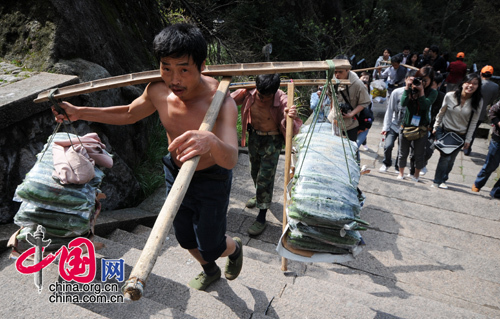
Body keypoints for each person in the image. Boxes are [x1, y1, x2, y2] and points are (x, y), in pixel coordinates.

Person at [53, 23, 243, 291]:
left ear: (201, 66)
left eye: (184, 69)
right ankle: (210, 270)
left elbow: (231, 159)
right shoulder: (158, 90)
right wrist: (80, 112)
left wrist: (211, 141)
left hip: (211, 179)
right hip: (175, 172)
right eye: (166, 68)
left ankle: (233, 250)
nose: (174, 79)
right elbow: (130, 113)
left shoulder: (221, 101)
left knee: (211, 244)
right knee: (185, 236)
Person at [231, 74, 302, 236]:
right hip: (254, 138)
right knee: (254, 171)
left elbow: (292, 114)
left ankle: (262, 215)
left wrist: (291, 113)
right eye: (260, 95)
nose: (262, 99)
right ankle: (259, 196)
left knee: (265, 176)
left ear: (274, 92)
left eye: (267, 96)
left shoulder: (282, 99)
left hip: (272, 140)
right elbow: (229, 99)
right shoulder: (249, 92)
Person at [432, 73, 483, 189]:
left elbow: (474, 121)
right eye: (468, 82)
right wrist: (436, 126)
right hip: (445, 131)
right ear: (463, 83)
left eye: (475, 84)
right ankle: (437, 181)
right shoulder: (450, 96)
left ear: (478, 86)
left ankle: (444, 179)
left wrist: (468, 139)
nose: (471, 86)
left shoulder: (478, 101)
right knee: (445, 157)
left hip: (460, 135)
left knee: (451, 160)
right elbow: (441, 112)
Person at [397, 66, 437, 182]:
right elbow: (403, 103)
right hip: (406, 125)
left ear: (431, 81)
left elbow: (425, 105)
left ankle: (416, 175)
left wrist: (421, 91)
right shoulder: (410, 89)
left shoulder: (433, 93)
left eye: (425, 80)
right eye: (420, 79)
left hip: (421, 128)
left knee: (419, 154)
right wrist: (407, 87)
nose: (422, 82)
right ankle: (401, 173)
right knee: (402, 152)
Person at [327, 59, 371, 162]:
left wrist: (352, 113)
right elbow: (330, 95)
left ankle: (355, 169)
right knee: (331, 148)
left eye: (340, 72)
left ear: (347, 70)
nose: (337, 75)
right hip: (334, 120)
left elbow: (365, 102)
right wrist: (332, 109)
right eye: (335, 72)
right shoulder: (332, 80)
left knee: (351, 151)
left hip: (350, 123)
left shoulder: (357, 84)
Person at [379, 72, 417, 173]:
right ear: (406, 79)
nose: (412, 83)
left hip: (407, 126)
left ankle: (397, 166)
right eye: (410, 80)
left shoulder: (418, 94)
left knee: (402, 149)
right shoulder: (397, 92)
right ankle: (386, 163)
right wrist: (385, 127)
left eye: (414, 81)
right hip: (394, 123)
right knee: (388, 145)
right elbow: (390, 110)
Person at [465, 65, 499, 155]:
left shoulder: (476, 83)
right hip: (481, 112)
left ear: (480, 73)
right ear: (491, 75)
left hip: (467, 110)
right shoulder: (495, 86)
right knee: (473, 130)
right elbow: (492, 100)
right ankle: (467, 149)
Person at [471, 100, 500, 198]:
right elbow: (492, 111)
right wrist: (498, 123)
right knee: (491, 165)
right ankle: (478, 184)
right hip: (498, 138)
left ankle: (496, 192)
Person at [357, 72, 373, 151]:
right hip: (353, 128)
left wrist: (363, 129)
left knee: (355, 146)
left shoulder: (367, 105)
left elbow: (369, 119)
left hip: (363, 127)